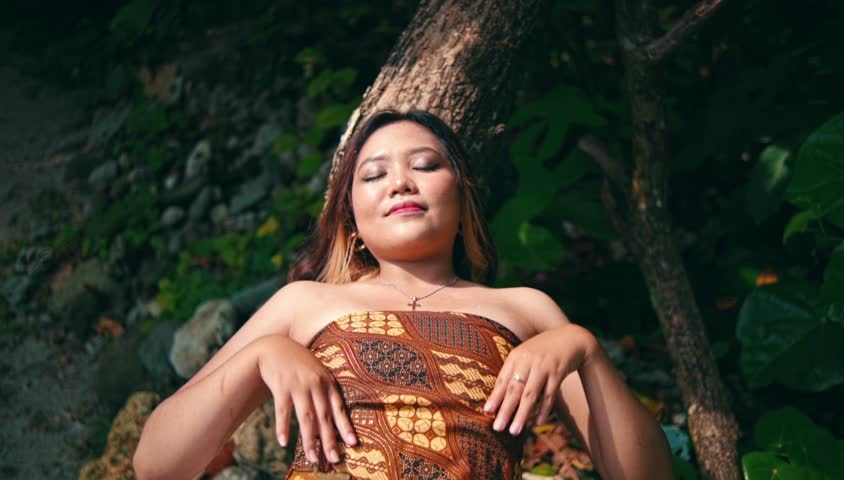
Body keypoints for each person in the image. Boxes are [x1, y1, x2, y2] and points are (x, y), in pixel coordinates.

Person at [133, 109, 673, 480]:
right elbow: (157, 465)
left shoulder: (525, 309)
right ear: (350, 217)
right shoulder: (304, 304)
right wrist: (261, 355)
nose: (400, 183)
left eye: (425, 165)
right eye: (374, 174)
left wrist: (583, 348)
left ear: (462, 196)